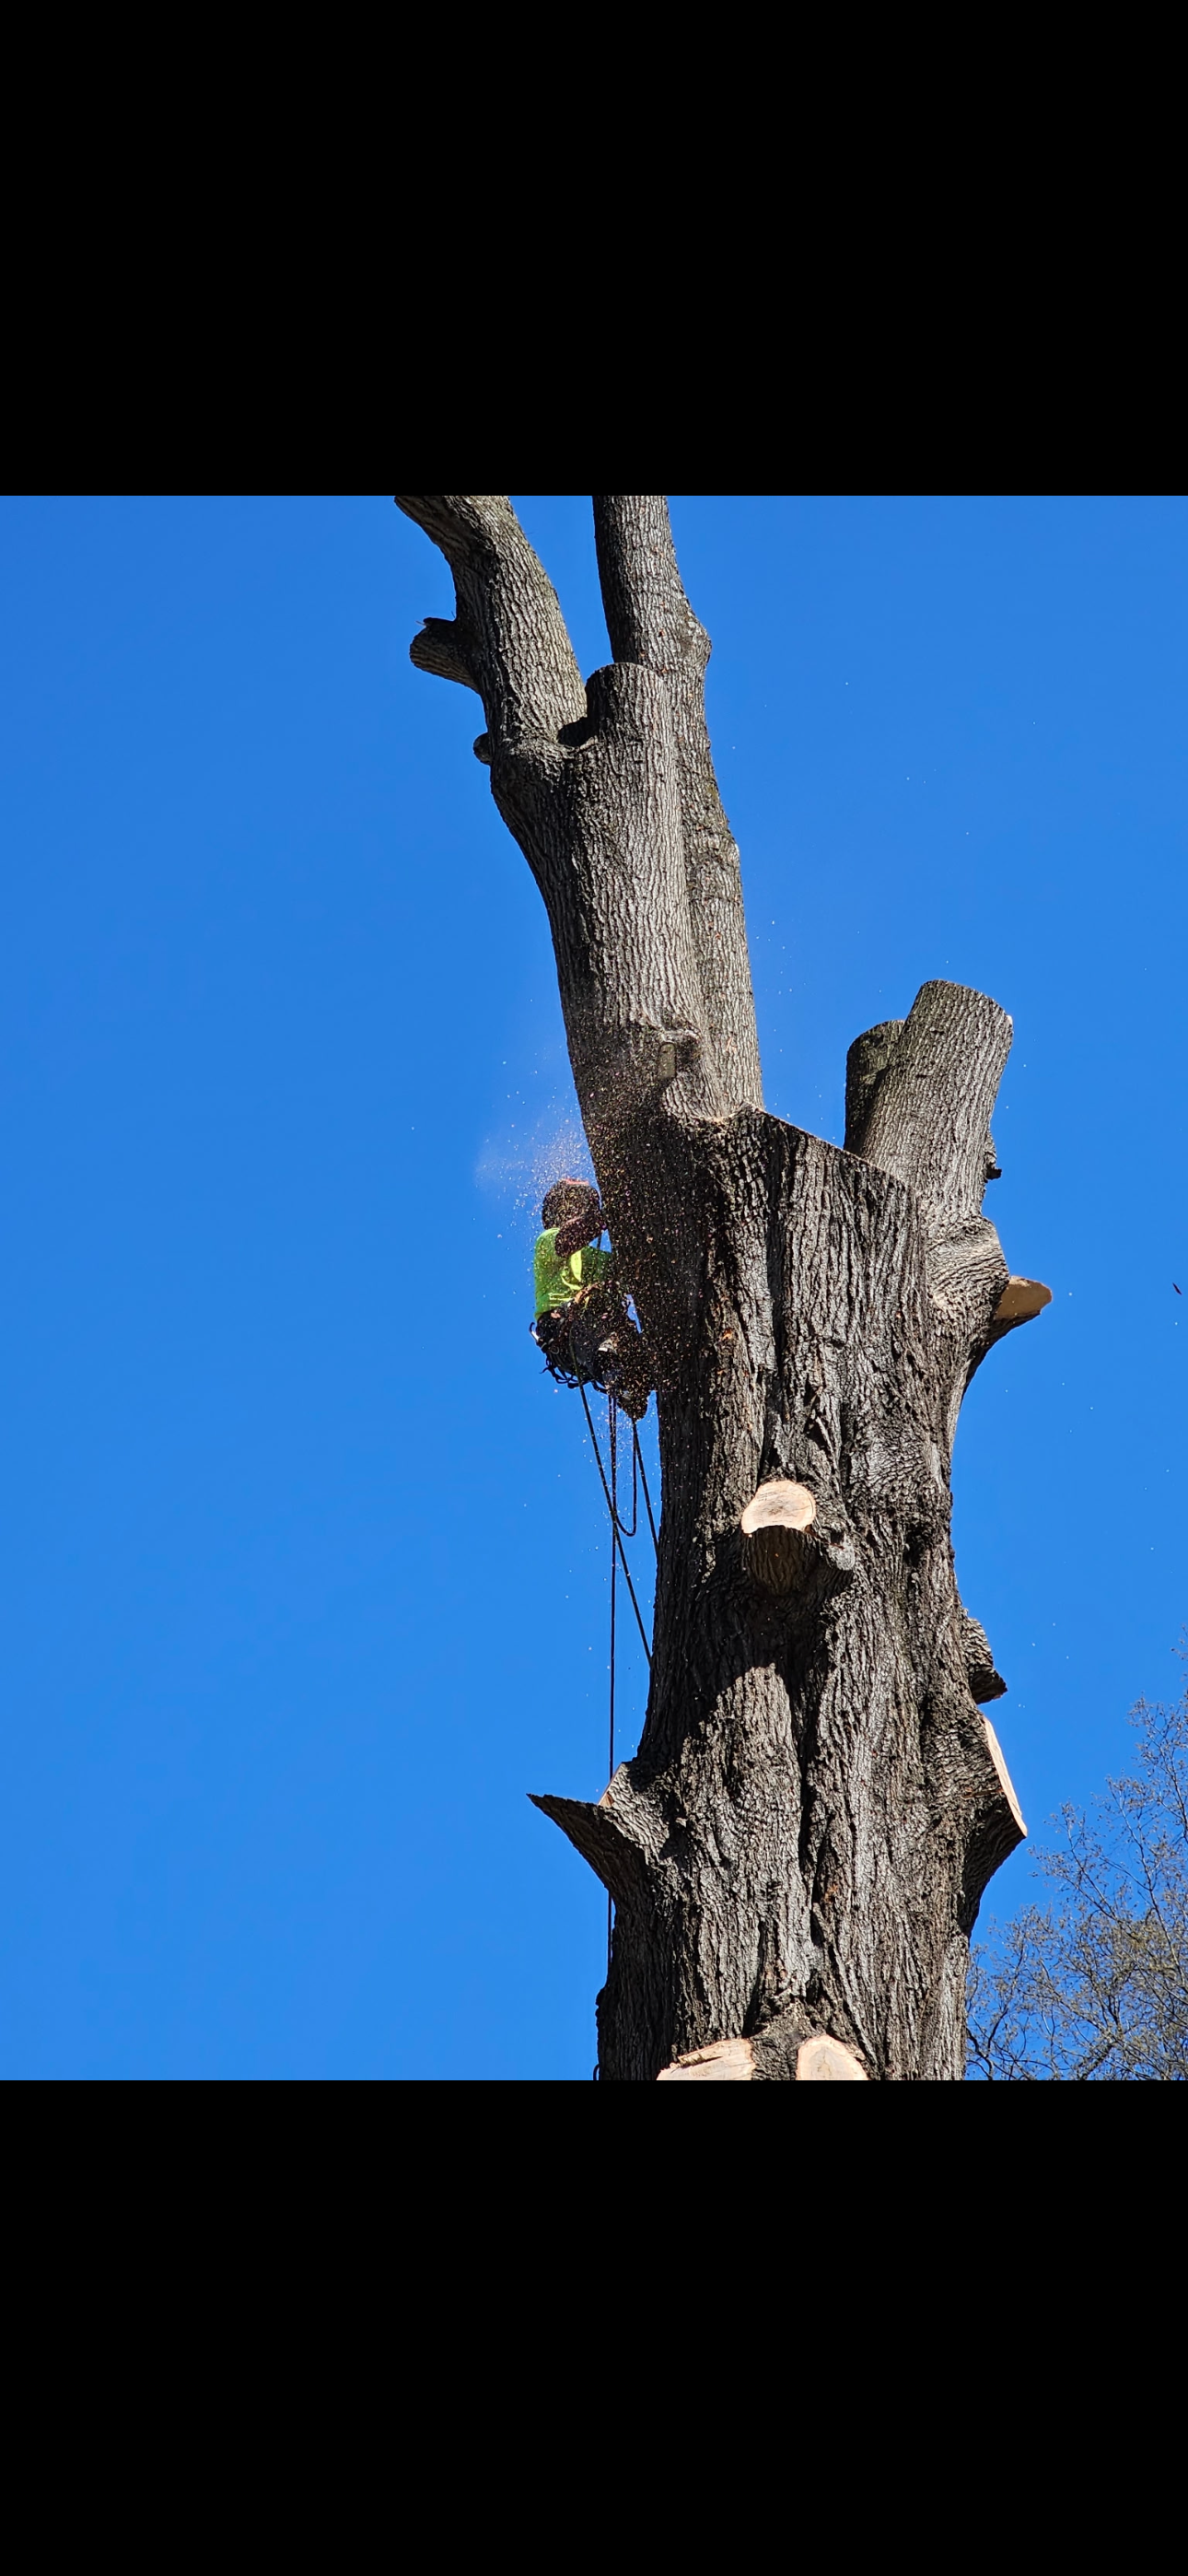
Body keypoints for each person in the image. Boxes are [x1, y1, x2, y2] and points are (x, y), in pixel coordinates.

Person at [530, 1179, 648, 1419]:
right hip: (563, 1328)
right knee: (602, 1339)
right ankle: (613, 1367)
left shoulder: (593, 1259)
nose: (580, 1212)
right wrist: (604, 1217)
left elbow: (627, 1271)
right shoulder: (547, 1241)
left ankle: (636, 1380)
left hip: (592, 1330)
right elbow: (568, 1238)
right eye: (577, 1207)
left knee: (638, 1353)